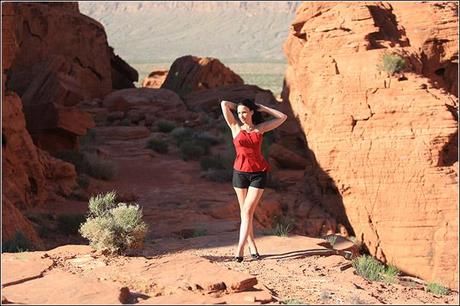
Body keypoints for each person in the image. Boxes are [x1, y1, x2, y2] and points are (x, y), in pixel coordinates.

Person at [220, 98, 287, 262]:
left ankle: (239, 250)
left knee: (247, 211)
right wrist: (238, 105)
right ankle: (253, 246)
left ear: (251, 112)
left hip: (258, 174)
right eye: (239, 113)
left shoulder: (260, 129)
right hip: (239, 173)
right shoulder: (235, 127)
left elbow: (282, 117)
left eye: (244, 112)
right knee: (245, 213)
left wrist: (262, 107)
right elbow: (223, 104)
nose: (241, 115)